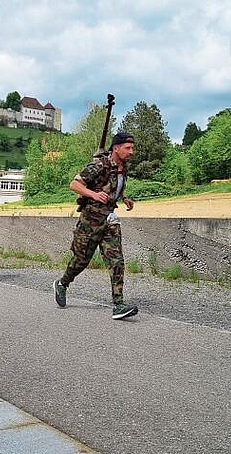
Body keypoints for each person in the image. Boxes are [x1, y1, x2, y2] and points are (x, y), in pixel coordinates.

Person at [53, 132, 138, 320]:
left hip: (109, 219)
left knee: (116, 261)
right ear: (116, 148)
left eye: (132, 148)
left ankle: (118, 305)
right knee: (81, 260)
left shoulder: (124, 167)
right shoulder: (100, 164)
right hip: (90, 220)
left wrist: (124, 198)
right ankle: (62, 283)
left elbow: (115, 186)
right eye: (128, 148)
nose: (132, 151)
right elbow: (74, 184)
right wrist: (93, 194)